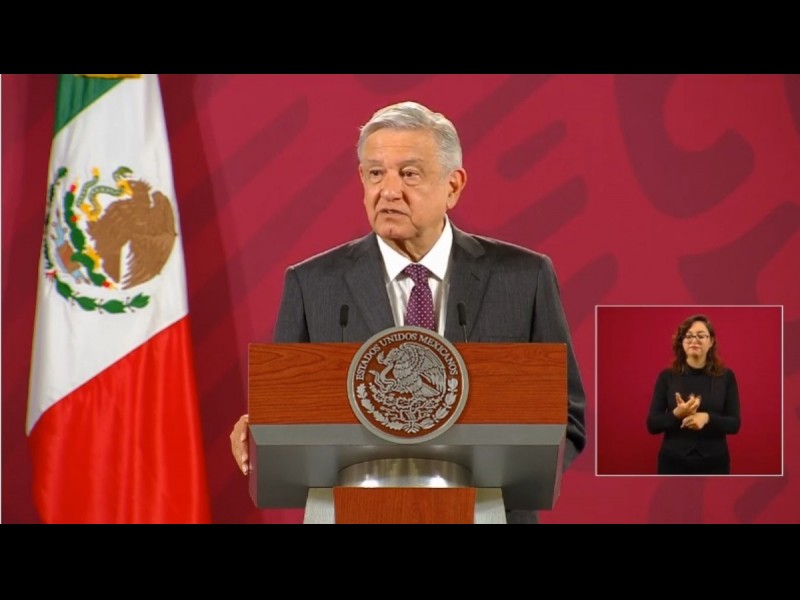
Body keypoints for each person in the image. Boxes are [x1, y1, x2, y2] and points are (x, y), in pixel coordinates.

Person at [230, 101, 587, 522]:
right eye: (375, 173)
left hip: (489, 512)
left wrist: (517, 472)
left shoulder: (523, 277)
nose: (389, 190)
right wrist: (262, 431)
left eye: (409, 173)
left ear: (453, 185)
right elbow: (287, 415)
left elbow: (566, 415)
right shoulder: (312, 284)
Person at [646, 314, 741, 475]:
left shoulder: (726, 377)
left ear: (711, 341)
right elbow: (652, 425)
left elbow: (734, 424)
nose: (694, 340)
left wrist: (706, 418)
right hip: (673, 463)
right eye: (688, 336)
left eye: (701, 336)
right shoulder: (666, 377)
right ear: (681, 342)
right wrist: (677, 414)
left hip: (715, 463)